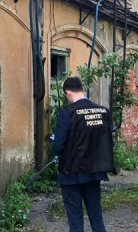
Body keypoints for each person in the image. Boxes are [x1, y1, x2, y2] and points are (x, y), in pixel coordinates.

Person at [51, 77, 114, 232]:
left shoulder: (68, 113)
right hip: (94, 172)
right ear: (82, 90)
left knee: (76, 221)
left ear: (68, 92)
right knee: (97, 219)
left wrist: (56, 141)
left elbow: (57, 147)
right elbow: (109, 142)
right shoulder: (103, 111)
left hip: (71, 173)